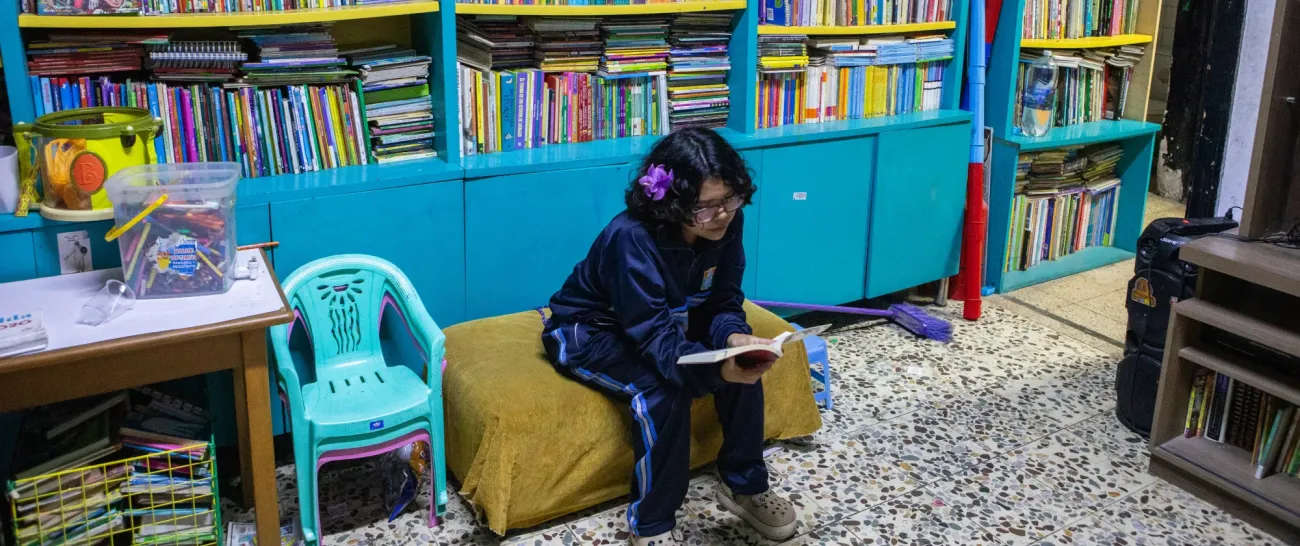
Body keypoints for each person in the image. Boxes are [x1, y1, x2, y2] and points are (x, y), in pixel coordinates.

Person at [541, 127, 795, 545]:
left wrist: (733, 341)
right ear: (672, 202)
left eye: (730, 200)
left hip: (668, 319)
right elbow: (654, 339)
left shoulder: (728, 223)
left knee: (749, 360)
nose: (722, 215)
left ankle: (744, 485)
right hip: (591, 330)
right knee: (662, 390)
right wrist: (714, 372)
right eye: (706, 208)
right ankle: (653, 524)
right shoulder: (631, 238)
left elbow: (724, 300)